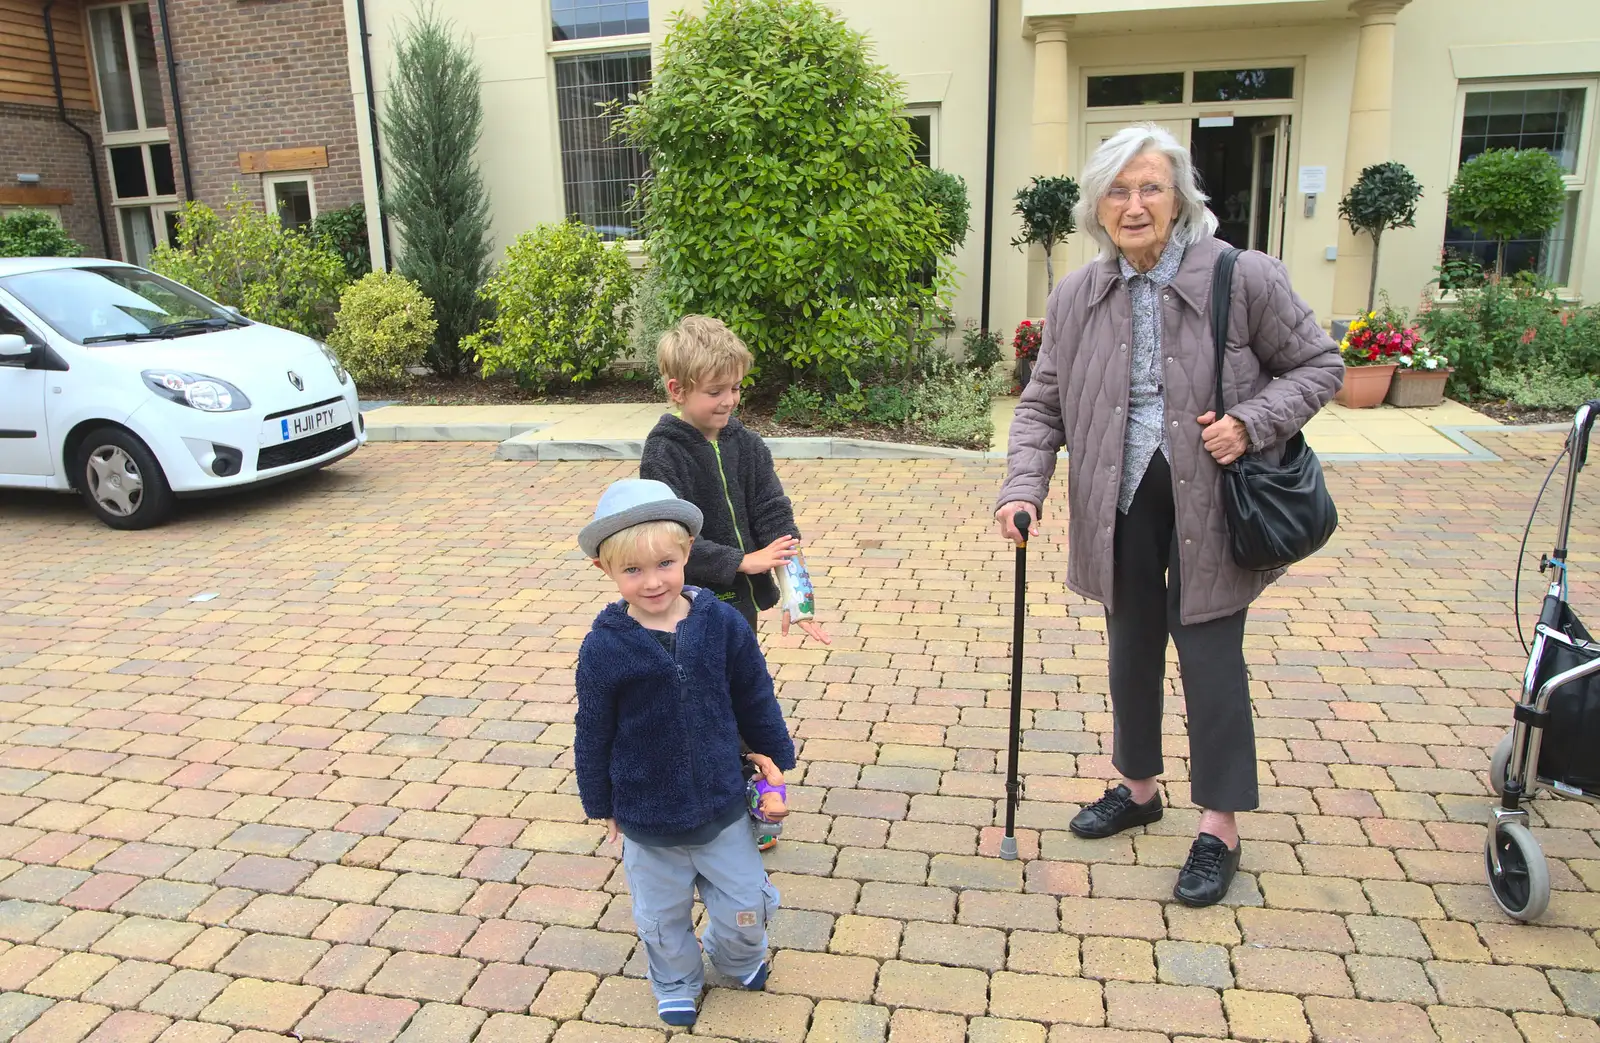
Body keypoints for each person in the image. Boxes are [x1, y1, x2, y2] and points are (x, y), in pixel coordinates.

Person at [994, 123, 1342, 907]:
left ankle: (1219, 823)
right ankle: (1139, 785)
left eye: (1150, 186)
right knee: (1130, 649)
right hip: (1115, 496)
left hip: (1212, 498)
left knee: (1211, 659)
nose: (1135, 203)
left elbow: (1321, 365)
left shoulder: (1242, 276)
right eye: (1118, 190)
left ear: (1180, 196)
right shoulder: (1078, 295)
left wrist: (1252, 422)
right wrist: (1023, 487)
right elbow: (1043, 400)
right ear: (1098, 207)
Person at [575, 478, 797, 1027]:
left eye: (664, 565)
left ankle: (738, 957)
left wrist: (770, 754)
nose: (652, 582)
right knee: (661, 916)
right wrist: (602, 803)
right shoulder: (605, 645)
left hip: (723, 806)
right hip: (648, 819)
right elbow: (593, 728)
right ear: (606, 570)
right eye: (632, 571)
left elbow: (752, 688)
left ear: (688, 555)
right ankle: (675, 978)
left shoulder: (718, 622)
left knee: (746, 907)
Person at [641, 314, 829, 849]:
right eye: (716, 391)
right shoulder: (665, 452)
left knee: (739, 694)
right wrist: (740, 562)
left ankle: (740, 788)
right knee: (699, 699)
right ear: (678, 390)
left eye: (736, 389)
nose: (729, 401)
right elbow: (664, 538)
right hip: (689, 605)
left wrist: (798, 596)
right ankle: (692, 794)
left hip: (738, 611)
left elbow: (775, 516)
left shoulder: (746, 445)